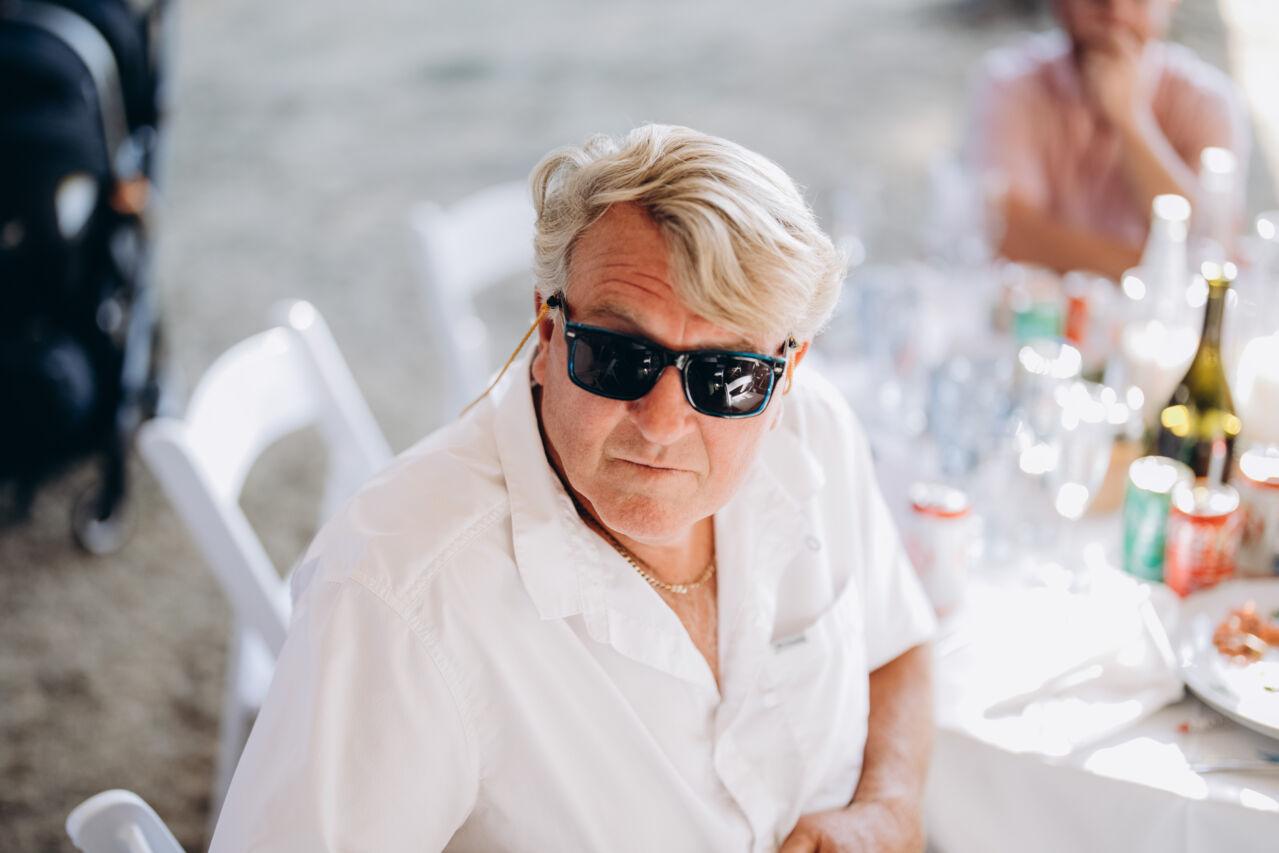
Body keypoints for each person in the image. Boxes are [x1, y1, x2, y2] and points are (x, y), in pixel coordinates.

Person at [209, 124, 937, 853]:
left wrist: (888, 806)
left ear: (787, 373)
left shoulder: (814, 430)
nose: (661, 424)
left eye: (726, 377)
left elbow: (898, 641)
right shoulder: (399, 594)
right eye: (618, 356)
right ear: (547, 332)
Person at [968, 0, 1250, 281]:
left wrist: (1130, 121)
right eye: (1097, 0)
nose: (1117, 14)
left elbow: (1213, 244)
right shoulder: (1010, 83)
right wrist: (1165, 269)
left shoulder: (1209, 101)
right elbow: (1011, 235)